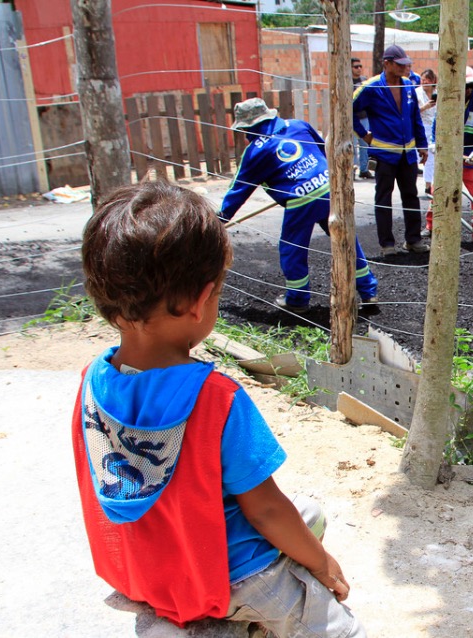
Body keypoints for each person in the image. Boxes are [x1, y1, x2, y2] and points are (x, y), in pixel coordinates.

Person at [73, 180, 365, 636]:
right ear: (199, 302)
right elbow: (266, 511)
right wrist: (322, 564)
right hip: (235, 576)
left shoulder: (92, 382)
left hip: (153, 572)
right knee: (335, 616)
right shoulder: (215, 399)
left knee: (307, 512)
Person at [219, 98, 378, 314]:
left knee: (292, 248)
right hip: (329, 188)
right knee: (345, 239)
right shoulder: (297, 125)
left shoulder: (254, 152)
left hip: (301, 199)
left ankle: (297, 299)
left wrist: (221, 218)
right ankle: (369, 291)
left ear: (247, 127)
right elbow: (323, 150)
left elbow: (239, 189)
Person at [353, 44, 429, 255]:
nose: (405, 68)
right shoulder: (370, 87)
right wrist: (364, 134)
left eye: (406, 64)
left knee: (411, 195)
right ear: (386, 64)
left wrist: (422, 145)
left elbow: (415, 117)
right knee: (384, 198)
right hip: (384, 154)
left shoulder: (408, 86)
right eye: (399, 64)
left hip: (408, 154)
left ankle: (413, 240)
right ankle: (387, 244)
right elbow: (347, 109)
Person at [428, 67, 473, 240]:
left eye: (470, 86)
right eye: (464, 86)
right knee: (438, 192)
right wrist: (434, 143)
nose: (467, 90)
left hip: (470, 160)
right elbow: (435, 127)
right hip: (447, 159)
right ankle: (431, 226)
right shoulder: (445, 105)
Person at [415, 69, 438, 236]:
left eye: (427, 80)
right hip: (421, 127)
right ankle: (426, 185)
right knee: (423, 158)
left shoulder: (438, 93)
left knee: (432, 159)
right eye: (422, 79)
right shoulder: (417, 94)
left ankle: (430, 185)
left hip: (435, 128)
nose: (425, 82)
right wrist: (426, 106)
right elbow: (413, 113)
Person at [351, 57, 372, 179]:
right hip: (352, 119)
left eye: (360, 66)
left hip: (364, 118)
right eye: (356, 67)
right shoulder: (346, 81)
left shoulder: (364, 81)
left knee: (365, 144)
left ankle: (364, 169)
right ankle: (352, 170)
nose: (359, 69)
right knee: (352, 146)